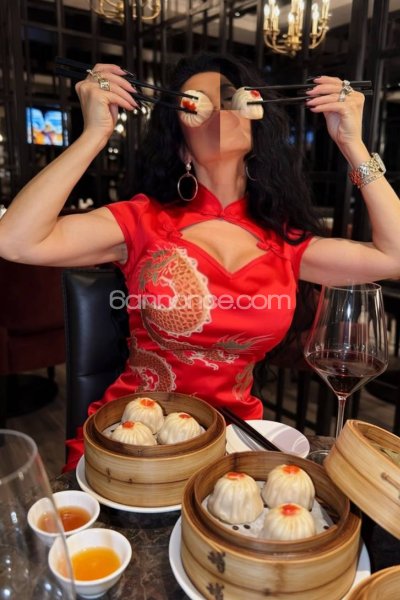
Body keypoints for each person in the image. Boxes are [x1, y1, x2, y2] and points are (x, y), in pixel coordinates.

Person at [1, 53, 399, 471]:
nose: (219, 113)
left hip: (235, 444)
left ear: (255, 123)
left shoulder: (286, 244)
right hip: (136, 438)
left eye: (230, 98)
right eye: (195, 104)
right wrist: (94, 135)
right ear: (181, 147)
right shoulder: (141, 222)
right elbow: (15, 241)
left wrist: (352, 144)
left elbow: (394, 256)